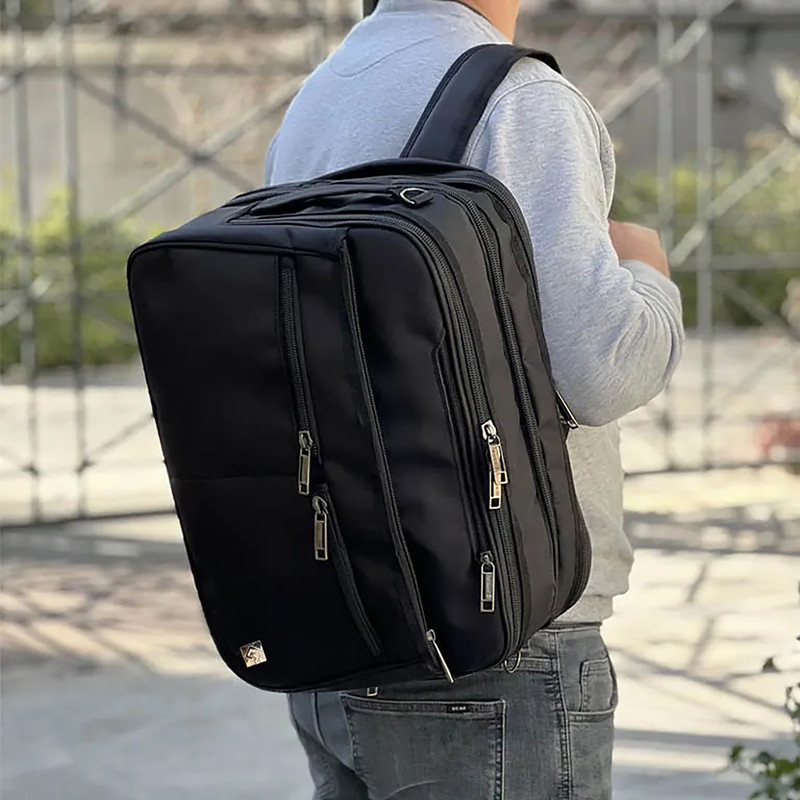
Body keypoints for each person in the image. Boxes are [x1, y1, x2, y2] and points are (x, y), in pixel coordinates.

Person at [263, 1, 684, 797]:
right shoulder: (519, 100)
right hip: (499, 639)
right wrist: (648, 274)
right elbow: (602, 371)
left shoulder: (322, 93)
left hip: (342, 621)